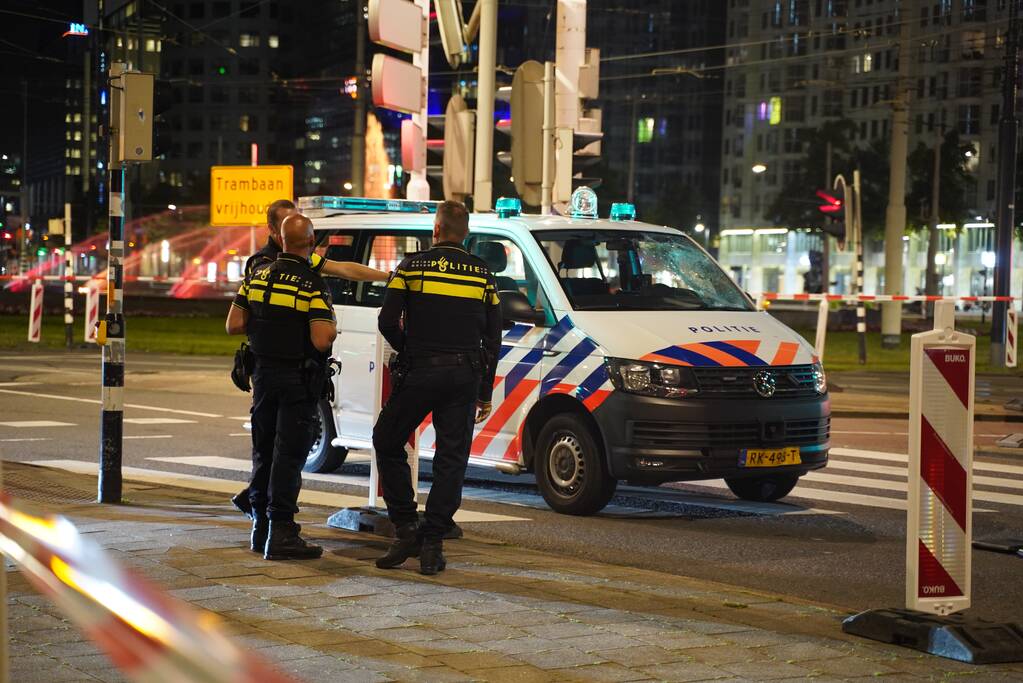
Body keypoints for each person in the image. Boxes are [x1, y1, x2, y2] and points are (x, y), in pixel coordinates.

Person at [231, 198, 390, 517]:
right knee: (283, 450)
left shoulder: (300, 264)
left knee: (272, 446)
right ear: (275, 231)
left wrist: (387, 277)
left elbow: (344, 269)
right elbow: (319, 336)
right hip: (286, 369)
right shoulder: (264, 266)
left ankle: (260, 511)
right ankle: (272, 517)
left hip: (269, 370)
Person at [371, 200, 502, 575]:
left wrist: (409, 348)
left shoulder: (411, 266)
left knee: (386, 439)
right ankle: (432, 542)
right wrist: (485, 392)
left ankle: (405, 526)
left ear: (437, 230)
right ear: (466, 234)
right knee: (451, 458)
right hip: (464, 376)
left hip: (420, 372)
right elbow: (494, 338)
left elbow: (386, 321)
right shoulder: (482, 274)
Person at [226, 213, 337, 560]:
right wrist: (331, 324)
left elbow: (234, 324)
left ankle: (259, 528)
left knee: (263, 452)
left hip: (262, 378)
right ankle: (283, 533)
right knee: (288, 457)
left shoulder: (257, 276)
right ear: (312, 241)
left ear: (283, 240)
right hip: (297, 381)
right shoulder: (311, 283)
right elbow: (321, 340)